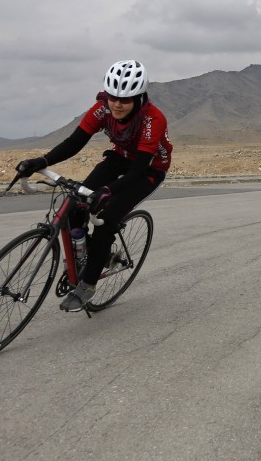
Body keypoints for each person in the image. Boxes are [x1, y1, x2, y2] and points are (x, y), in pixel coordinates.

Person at [16, 60, 173, 311]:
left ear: (140, 98)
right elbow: (74, 142)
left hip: (148, 169)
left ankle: (87, 284)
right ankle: (94, 254)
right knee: (77, 205)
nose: (117, 104)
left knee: (106, 221)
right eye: (112, 97)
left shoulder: (153, 119)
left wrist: (108, 191)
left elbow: (137, 171)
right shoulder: (103, 109)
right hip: (120, 157)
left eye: (126, 99)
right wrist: (40, 161)